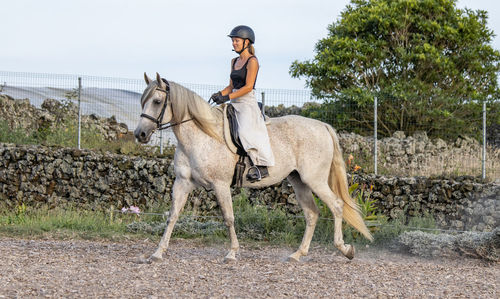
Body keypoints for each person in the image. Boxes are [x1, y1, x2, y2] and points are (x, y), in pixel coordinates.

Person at [210, 25, 275, 182]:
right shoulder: (234, 61)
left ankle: (262, 166)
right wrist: (220, 94)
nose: (233, 43)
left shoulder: (253, 61)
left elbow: (248, 87)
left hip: (246, 102)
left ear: (246, 42)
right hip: (234, 99)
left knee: (245, 131)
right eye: (233, 40)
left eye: (236, 40)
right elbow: (231, 86)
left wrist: (228, 97)